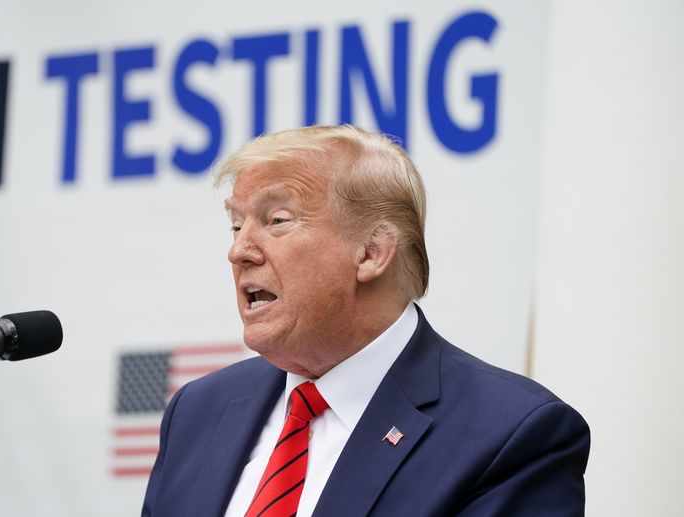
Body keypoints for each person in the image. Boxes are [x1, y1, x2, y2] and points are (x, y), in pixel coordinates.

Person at [141, 125, 590, 516]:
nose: (239, 251)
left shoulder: (512, 434)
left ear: (373, 252)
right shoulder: (198, 412)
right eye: (237, 226)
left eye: (276, 220)